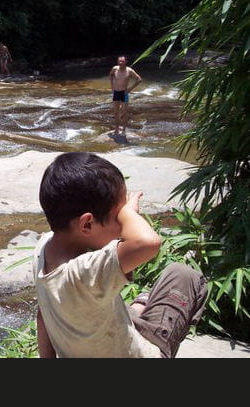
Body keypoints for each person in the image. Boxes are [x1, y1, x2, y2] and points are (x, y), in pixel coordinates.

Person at [34, 152, 208, 358]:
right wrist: (129, 213)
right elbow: (147, 242)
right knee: (182, 275)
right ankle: (142, 308)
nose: (123, 224)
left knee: (136, 303)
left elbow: (43, 313)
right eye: (119, 216)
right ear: (87, 224)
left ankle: (139, 307)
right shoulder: (86, 274)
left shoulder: (43, 248)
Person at [109, 55, 142, 135]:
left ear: (126, 62)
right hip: (116, 92)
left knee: (124, 112)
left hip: (124, 93)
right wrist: (112, 87)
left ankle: (123, 130)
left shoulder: (129, 71)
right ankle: (116, 128)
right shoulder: (115, 68)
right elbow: (110, 75)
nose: (121, 63)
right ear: (117, 62)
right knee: (116, 112)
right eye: (119, 61)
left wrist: (129, 89)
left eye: (122, 61)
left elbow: (139, 79)